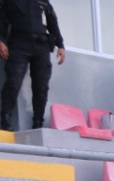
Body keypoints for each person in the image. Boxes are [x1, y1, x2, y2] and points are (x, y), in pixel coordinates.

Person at [0, 0, 65, 131]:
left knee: (41, 87)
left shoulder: (43, 2)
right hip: (19, 44)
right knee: (13, 81)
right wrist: (1, 41)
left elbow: (52, 23)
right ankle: (4, 120)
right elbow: (1, 21)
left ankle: (38, 123)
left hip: (41, 46)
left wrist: (61, 46)